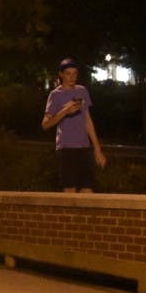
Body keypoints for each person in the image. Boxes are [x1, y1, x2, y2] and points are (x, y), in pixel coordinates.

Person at [42, 58, 107, 193]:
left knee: (88, 190)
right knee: (70, 192)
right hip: (66, 148)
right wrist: (65, 112)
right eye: (68, 74)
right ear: (61, 74)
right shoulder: (55, 95)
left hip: (84, 147)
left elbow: (88, 120)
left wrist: (97, 149)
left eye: (74, 74)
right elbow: (45, 124)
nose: (72, 77)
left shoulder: (82, 91)